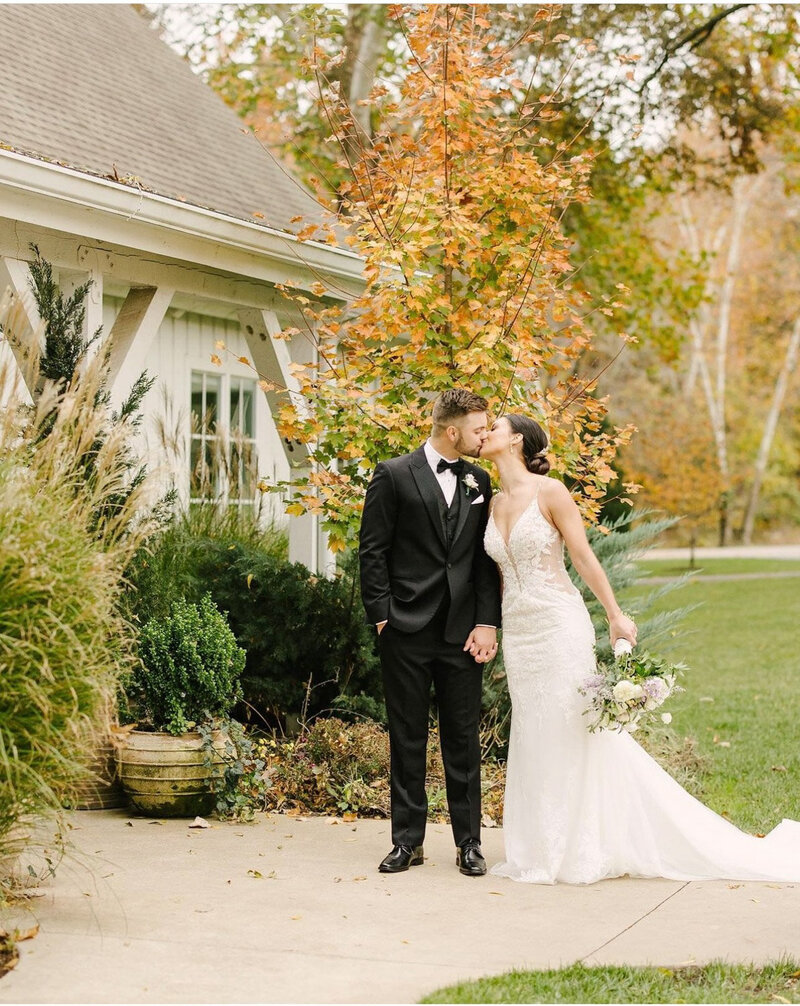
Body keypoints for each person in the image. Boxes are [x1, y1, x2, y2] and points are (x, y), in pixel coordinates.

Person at [480, 412, 800, 884]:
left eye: (496, 426)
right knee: (534, 733)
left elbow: (583, 557)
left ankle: (580, 848)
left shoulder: (551, 493)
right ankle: (539, 849)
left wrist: (614, 615)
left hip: (558, 626)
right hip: (520, 634)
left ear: (517, 442)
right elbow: (496, 575)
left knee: (572, 730)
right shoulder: (490, 502)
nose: (486, 432)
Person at [359, 389, 502, 876]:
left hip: (462, 633)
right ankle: (407, 842)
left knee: (461, 739)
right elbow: (372, 551)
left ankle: (469, 843)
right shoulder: (394, 475)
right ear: (452, 430)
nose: (485, 436)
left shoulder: (479, 480)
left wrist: (487, 622)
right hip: (405, 629)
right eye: (480, 428)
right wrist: (382, 616)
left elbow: (484, 560)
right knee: (408, 736)